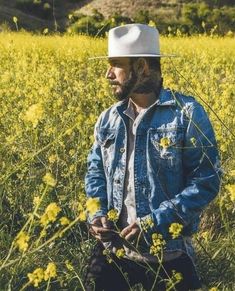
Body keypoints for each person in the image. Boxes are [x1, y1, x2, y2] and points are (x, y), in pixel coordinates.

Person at [84, 23, 221, 291]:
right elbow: (95, 172)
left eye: (116, 65)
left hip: (169, 256)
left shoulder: (187, 114)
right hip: (113, 253)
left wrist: (153, 223)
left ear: (143, 67)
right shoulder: (108, 119)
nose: (108, 74)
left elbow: (207, 181)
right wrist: (97, 212)